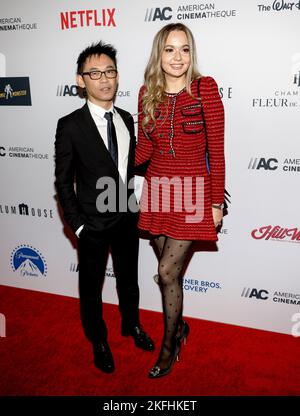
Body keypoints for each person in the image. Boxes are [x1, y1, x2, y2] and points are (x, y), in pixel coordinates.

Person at [55, 41, 154, 374]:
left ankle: (132, 325)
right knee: (91, 287)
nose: (104, 79)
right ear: (81, 80)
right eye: (94, 73)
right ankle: (98, 339)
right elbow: (63, 181)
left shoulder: (126, 118)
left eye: (110, 71)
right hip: (92, 225)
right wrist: (78, 225)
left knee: (129, 279)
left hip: (126, 216)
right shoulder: (69, 125)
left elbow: (131, 170)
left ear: (118, 76)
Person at [136, 23, 225, 378]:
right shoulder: (147, 93)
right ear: (159, 53)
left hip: (192, 193)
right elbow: (145, 148)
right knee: (171, 277)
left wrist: (216, 203)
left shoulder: (206, 89)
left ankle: (169, 347)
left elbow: (216, 153)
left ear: (192, 54)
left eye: (184, 49)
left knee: (166, 271)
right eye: (170, 49)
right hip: (158, 189)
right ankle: (180, 326)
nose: (178, 57)